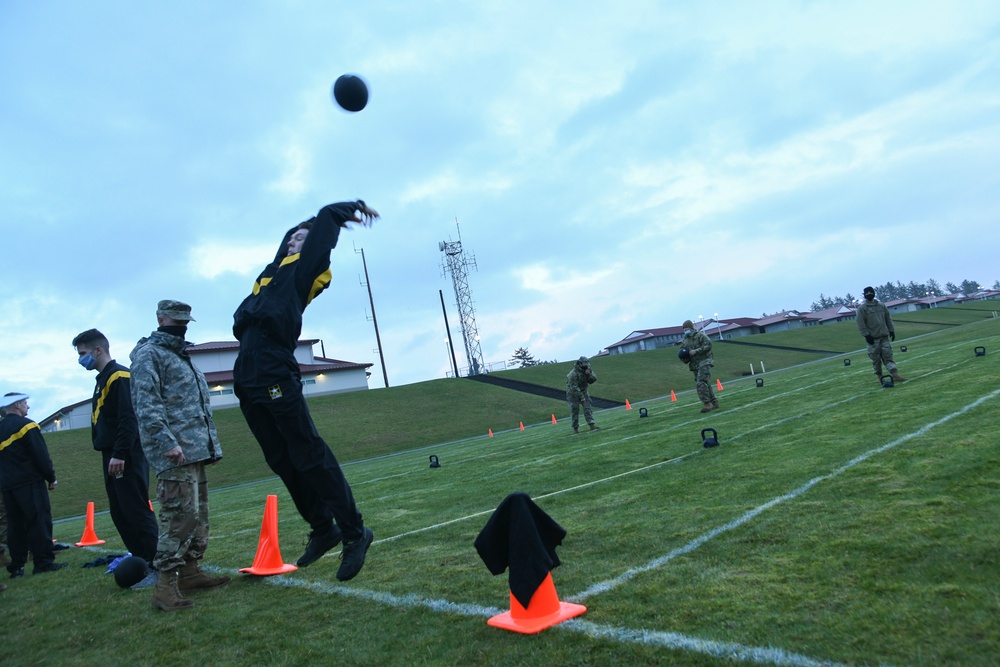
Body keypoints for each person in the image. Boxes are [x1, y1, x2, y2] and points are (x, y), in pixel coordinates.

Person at [232, 200, 377, 581]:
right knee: (280, 458)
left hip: (275, 366)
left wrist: (339, 212)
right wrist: (296, 232)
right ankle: (322, 527)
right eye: (292, 237)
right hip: (246, 374)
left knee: (309, 453)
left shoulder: (307, 270)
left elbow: (321, 232)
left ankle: (354, 532)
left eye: (302, 238)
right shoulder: (269, 275)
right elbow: (284, 243)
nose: (295, 241)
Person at [130, 300, 229, 611]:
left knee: (198, 517)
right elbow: (147, 406)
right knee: (179, 518)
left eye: (185, 319)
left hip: (194, 451)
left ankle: (189, 572)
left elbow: (196, 405)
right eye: (175, 319)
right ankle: (164, 586)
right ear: (160, 318)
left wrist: (211, 446)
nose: (181, 324)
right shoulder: (150, 355)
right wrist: (166, 443)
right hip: (174, 453)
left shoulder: (181, 356)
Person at [72, 329, 159, 587]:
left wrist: (120, 453)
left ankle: (156, 564)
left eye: (83, 354)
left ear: (98, 350)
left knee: (135, 508)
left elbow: (128, 417)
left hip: (125, 454)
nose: (80, 359)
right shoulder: (102, 378)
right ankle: (140, 561)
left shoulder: (119, 375)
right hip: (111, 454)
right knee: (120, 511)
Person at [0, 392, 66, 578]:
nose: (27, 407)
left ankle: (17, 567)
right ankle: (43, 562)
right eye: (25, 403)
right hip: (29, 482)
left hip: (7, 486)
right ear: (16, 405)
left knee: (15, 526)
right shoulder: (27, 426)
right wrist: (51, 477)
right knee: (39, 522)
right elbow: (40, 455)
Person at [856, 286, 906, 384]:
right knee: (875, 359)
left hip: (884, 337)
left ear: (874, 293)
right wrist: (866, 335)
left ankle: (894, 374)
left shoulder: (881, 305)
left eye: (871, 292)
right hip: (872, 339)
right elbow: (860, 324)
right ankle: (879, 376)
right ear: (865, 295)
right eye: (867, 293)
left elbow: (888, 318)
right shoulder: (862, 309)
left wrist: (891, 330)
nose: (869, 294)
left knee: (888, 356)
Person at [679, 319, 719, 413]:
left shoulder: (700, 335)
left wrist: (696, 351)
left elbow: (708, 345)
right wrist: (684, 358)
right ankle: (714, 402)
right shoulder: (685, 340)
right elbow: (682, 351)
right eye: (684, 329)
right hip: (695, 364)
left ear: (691, 327)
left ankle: (706, 404)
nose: (685, 330)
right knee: (705, 383)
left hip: (705, 361)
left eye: (687, 328)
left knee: (701, 382)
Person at [566, 356, 599, 433]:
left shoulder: (587, 370)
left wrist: (589, 374)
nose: (586, 365)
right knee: (575, 410)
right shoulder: (573, 374)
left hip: (584, 391)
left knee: (588, 407)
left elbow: (592, 380)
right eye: (584, 364)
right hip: (573, 393)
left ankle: (592, 425)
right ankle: (575, 428)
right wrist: (581, 396)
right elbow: (573, 386)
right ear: (580, 363)